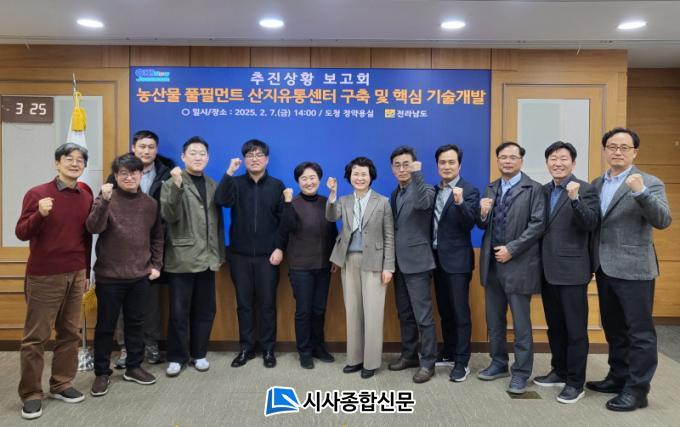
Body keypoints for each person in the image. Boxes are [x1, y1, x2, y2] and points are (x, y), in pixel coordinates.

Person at [586, 128, 672, 411]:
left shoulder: (649, 182)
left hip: (635, 269)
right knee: (614, 328)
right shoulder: (597, 183)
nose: (617, 152)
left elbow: (663, 220)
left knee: (639, 332)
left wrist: (641, 192)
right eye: (612, 146)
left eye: (624, 147)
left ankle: (637, 390)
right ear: (604, 150)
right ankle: (618, 376)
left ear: (635, 152)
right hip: (605, 267)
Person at [16, 143, 93, 420]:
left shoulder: (85, 194)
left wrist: (86, 272)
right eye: (68, 159)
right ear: (57, 163)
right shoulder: (37, 194)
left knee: (70, 332)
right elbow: (21, 232)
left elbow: (87, 238)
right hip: (44, 274)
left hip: (77, 272)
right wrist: (40, 214)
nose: (75, 163)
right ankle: (31, 394)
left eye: (80, 160)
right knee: (35, 337)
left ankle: (61, 383)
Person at [87, 154, 163, 397]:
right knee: (105, 326)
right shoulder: (106, 199)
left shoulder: (150, 203)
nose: (129, 177)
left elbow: (157, 237)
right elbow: (93, 227)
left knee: (136, 324)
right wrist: (104, 200)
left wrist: (156, 264)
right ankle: (102, 373)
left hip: (140, 275)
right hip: (109, 277)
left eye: (134, 173)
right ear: (116, 176)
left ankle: (133, 367)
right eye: (124, 173)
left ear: (141, 174)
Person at [533, 141, 599, 404]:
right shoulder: (543, 190)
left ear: (573, 163)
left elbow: (590, 223)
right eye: (553, 158)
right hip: (547, 270)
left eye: (563, 158)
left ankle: (575, 382)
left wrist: (575, 200)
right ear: (547, 162)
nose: (557, 163)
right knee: (555, 327)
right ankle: (559, 371)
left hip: (573, 271)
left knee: (575, 330)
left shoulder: (585, 189)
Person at [477, 141, 545, 395]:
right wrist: (483, 214)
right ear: (497, 160)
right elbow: (482, 225)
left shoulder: (533, 189)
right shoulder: (491, 187)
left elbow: (537, 225)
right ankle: (498, 363)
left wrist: (512, 249)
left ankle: (521, 372)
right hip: (492, 264)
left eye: (512, 157)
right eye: (503, 157)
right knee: (494, 320)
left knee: (521, 324)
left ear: (521, 161)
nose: (507, 161)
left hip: (519, 264)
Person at [106, 130, 174, 368]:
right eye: (142, 146)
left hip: (154, 244)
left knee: (151, 301)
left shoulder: (167, 173)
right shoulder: (119, 172)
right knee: (125, 304)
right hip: (122, 249)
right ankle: (126, 347)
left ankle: (151, 344)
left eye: (151, 147)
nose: (146, 151)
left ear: (156, 150)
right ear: (133, 147)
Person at [215, 139, 285, 369]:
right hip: (239, 255)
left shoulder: (276, 185)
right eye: (250, 155)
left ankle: (268, 349)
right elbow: (220, 200)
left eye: (259, 154)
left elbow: (283, 221)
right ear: (244, 159)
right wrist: (229, 172)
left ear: (267, 159)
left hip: (268, 256)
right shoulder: (235, 183)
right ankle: (246, 348)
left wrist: (279, 247)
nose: (255, 158)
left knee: (267, 304)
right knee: (244, 304)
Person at [161, 136, 226, 377]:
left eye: (202, 153)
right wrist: (177, 186)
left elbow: (218, 224)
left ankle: (199, 353)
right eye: (193, 153)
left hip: (208, 258)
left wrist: (219, 254)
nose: (198, 157)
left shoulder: (212, 184)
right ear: (183, 156)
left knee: (205, 310)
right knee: (179, 312)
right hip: (182, 258)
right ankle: (176, 357)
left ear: (208, 157)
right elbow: (169, 215)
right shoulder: (172, 182)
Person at [326, 157, 395, 379]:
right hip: (348, 260)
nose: (359, 178)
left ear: (371, 176)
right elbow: (331, 216)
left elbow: (389, 236)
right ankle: (354, 359)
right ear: (349, 177)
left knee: (373, 313)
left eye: (364, 174)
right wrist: (332, 194)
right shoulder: (344, 200)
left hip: (374, 262)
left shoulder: (382, 202)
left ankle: (371, 362)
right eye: (355, 174)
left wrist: (388, 267)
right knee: (353, 310)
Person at [385, 146, 437, 384]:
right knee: (404, 314)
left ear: (415, 165)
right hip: (398, 263)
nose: (402, 169)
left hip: (418, 263)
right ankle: (409, 355)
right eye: (397, 165)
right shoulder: (395, 193)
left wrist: (418, 175)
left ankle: (428, 363)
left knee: (423, 317)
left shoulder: (425, 189)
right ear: (392, 169)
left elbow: (424, 204)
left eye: (406, 164)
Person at [280, 162, 338, 369]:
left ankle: (318, 348)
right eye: (304, 178)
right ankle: (304, 351)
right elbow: (286, 227)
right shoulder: (292, 203)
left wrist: (334, 258)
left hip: (323, 265)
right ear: (298, 181)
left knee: (319, 309)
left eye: (312, 177)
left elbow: (333, 233)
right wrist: (287, 202)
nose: (309, 182)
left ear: (319, 180)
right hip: (301, 267)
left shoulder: (325, 202)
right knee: (304, 311)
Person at [431, 144, 480, 382]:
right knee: (445, 310)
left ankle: (462, 361)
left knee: (460, 312)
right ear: (437, 165)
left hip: (458, 262)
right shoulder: (434, 190)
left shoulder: (469, 190)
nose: (447, 166)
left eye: (451, 162)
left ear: (459, 165)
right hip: (436, 260)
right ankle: (449, 351)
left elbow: (470, 223)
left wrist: (460, 203)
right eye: (443, 162)